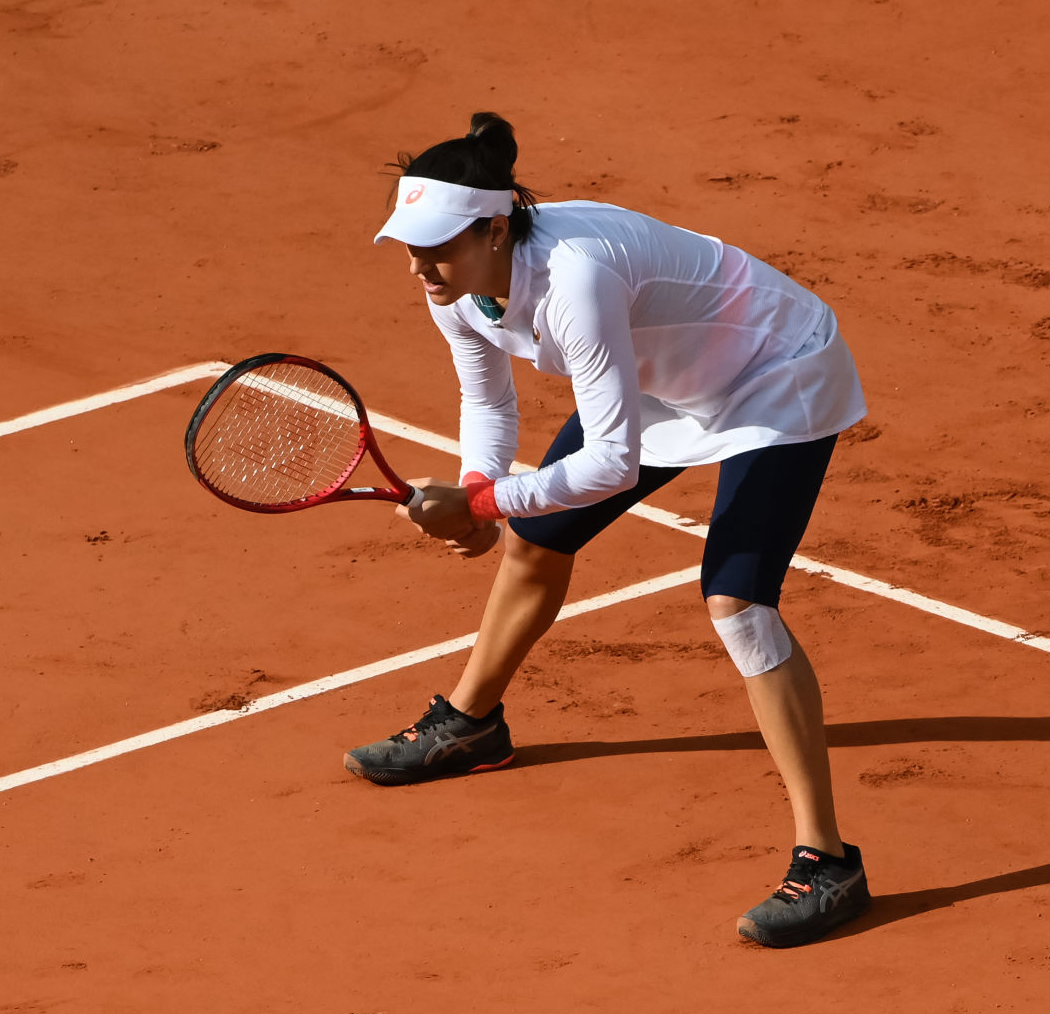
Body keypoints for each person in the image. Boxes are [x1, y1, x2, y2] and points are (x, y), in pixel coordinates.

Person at [343, 112, 871, 948]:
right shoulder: (457, 286)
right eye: (408, 245)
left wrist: (481, 507)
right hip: (667, 377)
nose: (417, 264)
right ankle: (472, 724)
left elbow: (613, 465)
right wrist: (480, 485)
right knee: (536, 539)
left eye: (434, 246)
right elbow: (487, 400)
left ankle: (828, 859)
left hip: (774, 370)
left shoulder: (576, 280)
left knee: (739, 604)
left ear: (492, 229)